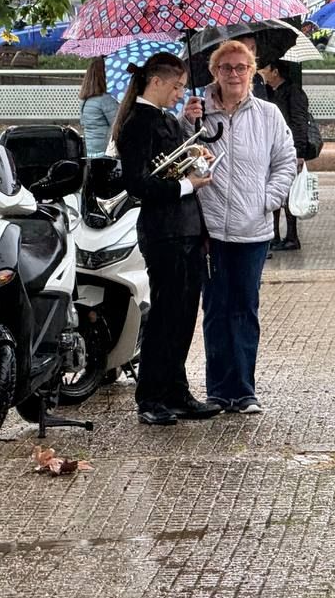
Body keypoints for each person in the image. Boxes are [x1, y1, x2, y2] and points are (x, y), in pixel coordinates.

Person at [183, 40, 296, 414]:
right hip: (211, 229)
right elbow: (181, 163)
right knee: (216, 308)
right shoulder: (199, 116)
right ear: (214, 72)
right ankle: (218, 389)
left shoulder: (268, 115)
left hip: (253, 229)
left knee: (245, 307)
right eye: (226, 67)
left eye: (241, 67)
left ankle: (244, 390)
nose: (234, 74)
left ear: (253, 71)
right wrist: (187, 124)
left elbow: (285, 161)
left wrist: (269, 199)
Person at [111, 53, 222, 426]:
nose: (179, 92)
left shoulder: (163, 119)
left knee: (184, 315)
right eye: (176, 86)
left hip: (187, 227)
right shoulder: (136, 124)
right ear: (155, 82)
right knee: (164, 316)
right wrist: (186, 185)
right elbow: (137, 183)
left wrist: (191, 131)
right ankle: (151, 397)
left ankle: (176, 390)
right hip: (164, 231)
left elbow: (178, 159)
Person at [259, 58, 312, 251]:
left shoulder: (293, 92)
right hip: (271, 149)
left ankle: (292, 236)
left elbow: (299, 122)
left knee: (289, 194)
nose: (261, 72)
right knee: (273, 190)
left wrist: (299, 152)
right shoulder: (268, 92)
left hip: (288, 149)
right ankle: (274, 235)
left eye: (265, 68)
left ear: (275, 72)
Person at [79, 57, 119, 157]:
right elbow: (118, 125)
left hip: (91, 153)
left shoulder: (85, 100)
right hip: (105, 154)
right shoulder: (105, 99)